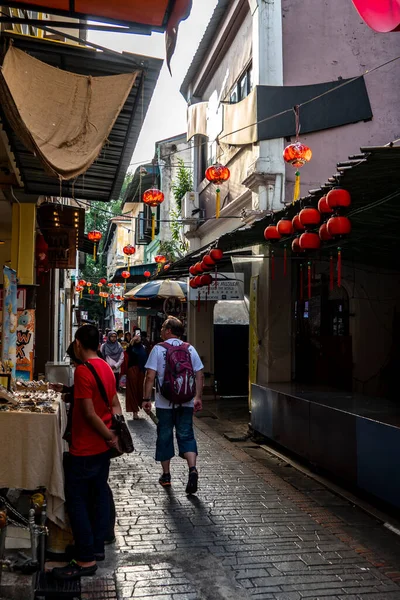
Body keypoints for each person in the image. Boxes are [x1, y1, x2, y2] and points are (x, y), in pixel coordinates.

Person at [52, 325, 122, 581]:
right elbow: (114, 403)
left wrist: (107, 435)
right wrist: (113, 434)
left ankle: (85, 558)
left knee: (77, 501)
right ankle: (96, 548)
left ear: (79, 344)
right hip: (101, 448)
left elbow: (89, 414)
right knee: (98, 493)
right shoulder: (105, 367)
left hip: (86, 447)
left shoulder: (83, 371)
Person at [142, 316, 204, 494]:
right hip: (186, 401)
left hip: (164, 403)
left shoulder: (158, 349)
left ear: (169, 330)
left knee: (165, 436)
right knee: (186, 435)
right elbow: (199, 374)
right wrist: (198, 397)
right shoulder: (190, 348)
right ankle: (192, 469)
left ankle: (166, 476)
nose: (161, 330)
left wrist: (146, 398)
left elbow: (150, 376)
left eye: (162, 327)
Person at [125, 331, 147, 419]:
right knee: (133, 390)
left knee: (140, 389)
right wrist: (132, 341)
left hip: (142, 370)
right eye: (136, 336)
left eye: (139, 336)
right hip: (132, 370)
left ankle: (140, 405)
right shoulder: (131, 347)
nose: (138, 337)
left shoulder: (144, 347)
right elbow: (128, 351)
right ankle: (135, 412)